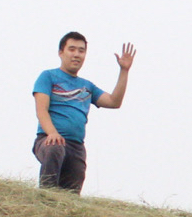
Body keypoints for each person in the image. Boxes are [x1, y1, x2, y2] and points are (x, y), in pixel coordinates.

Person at [33, 34, 134, 193]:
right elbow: (41, 110)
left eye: (81, 51)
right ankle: (45, 199)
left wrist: (124, 71)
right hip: (49, 139)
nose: (76, 54)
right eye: (71, 49)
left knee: (71, 195)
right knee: (55, 149)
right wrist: (52, 133)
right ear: (61, 52)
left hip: (76, 146)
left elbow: (114, 102)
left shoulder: (87, 87)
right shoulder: (48, 76)